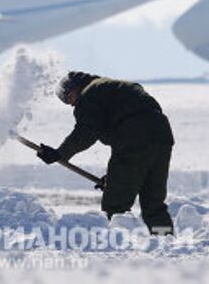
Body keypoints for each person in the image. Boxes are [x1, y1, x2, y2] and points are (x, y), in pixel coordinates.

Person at [37, 71, 175, 235]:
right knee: (153, 201)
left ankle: (118, 244)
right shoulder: (111, 87)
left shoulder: (89, 94)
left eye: (68, 98)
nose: (71, 104)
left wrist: (60, 153)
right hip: (162, 134)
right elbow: (135, 161)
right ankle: (164, 239)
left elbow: (87, 131)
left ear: (75, 88)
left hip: (134, 134)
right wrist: (114, 178)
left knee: (115, 202)